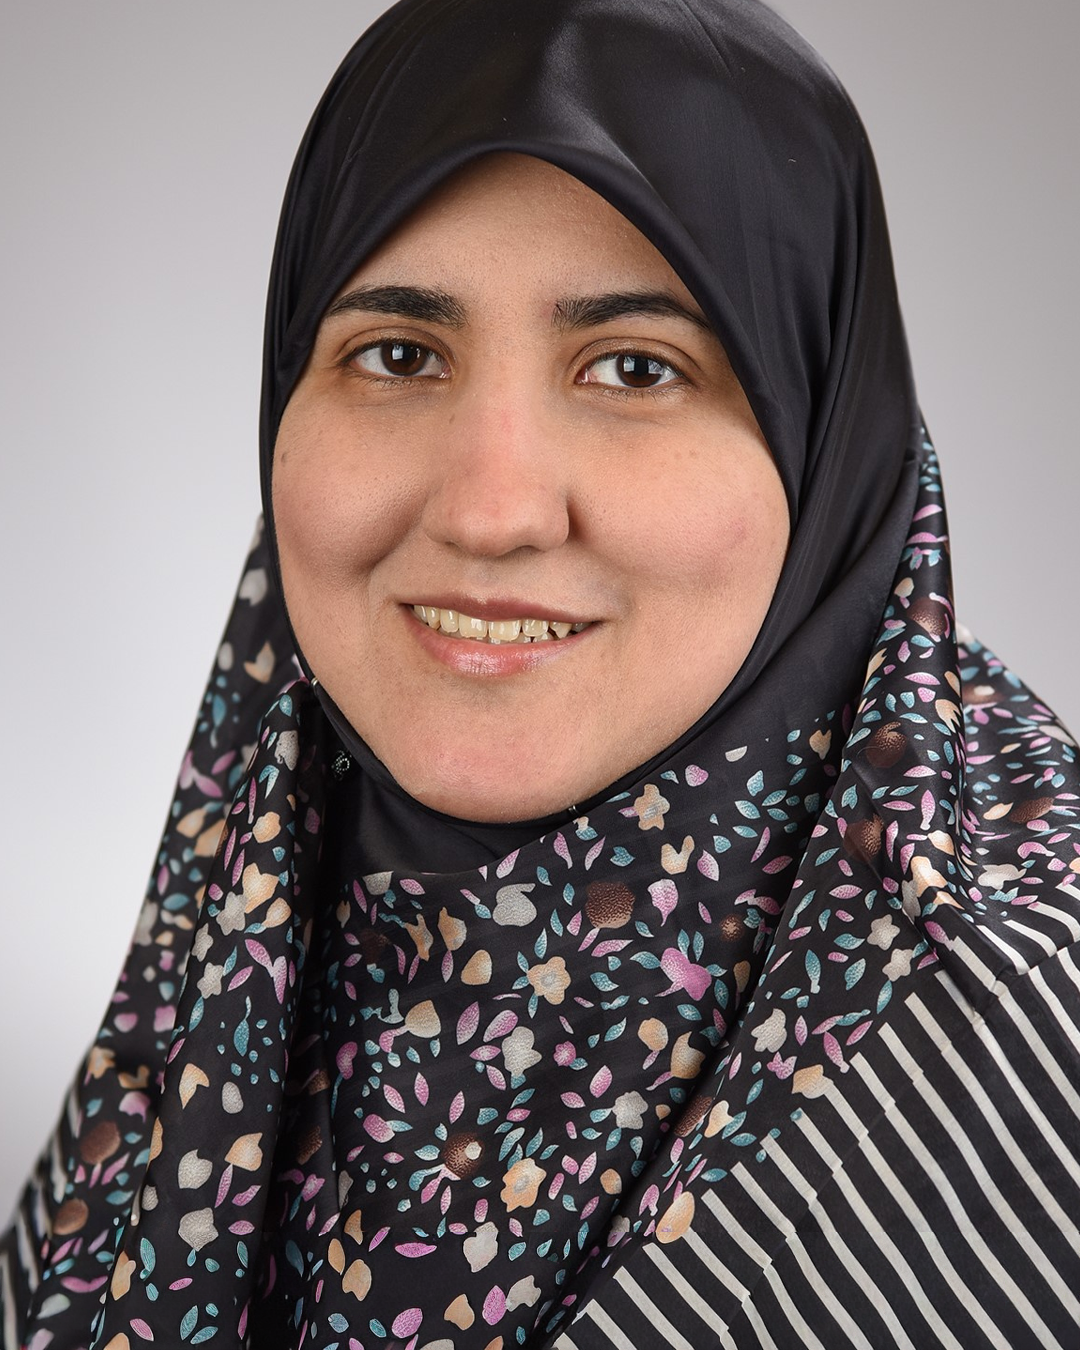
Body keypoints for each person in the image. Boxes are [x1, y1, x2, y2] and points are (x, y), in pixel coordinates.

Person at [3, 1, 1079, 1346]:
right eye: (399, 355)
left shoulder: (1021, 1031)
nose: (492, 510)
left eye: (634, 367)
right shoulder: (266, 873)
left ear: (825, 441)